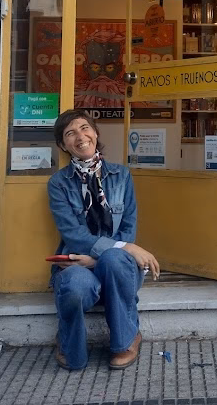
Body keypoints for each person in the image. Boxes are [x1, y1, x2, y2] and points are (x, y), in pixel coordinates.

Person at [48, 109, 160, 371]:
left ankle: (126, 339)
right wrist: (126, 248)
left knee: (113, 258)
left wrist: (98, 257)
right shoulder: (58, 183)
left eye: (85, 128)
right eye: (70, 133)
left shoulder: (121, 176)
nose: (80, 136)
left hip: (116, 267)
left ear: (96, 133)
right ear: (62, 145)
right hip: (76, 262)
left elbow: (127, 227)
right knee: (74, 285)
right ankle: (69, 345)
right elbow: (73, 234)